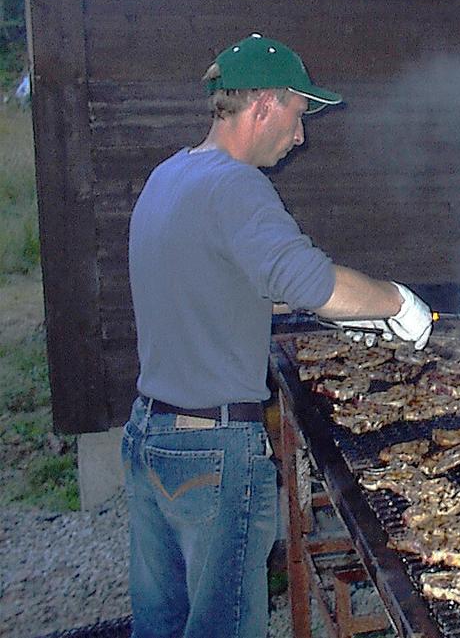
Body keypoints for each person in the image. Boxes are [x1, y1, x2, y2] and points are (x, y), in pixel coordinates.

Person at [122, 33, 433, 638]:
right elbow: (309, 277)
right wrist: (397, 302)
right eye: (298, 115)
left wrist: (354, 315)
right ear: (264, 105)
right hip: (212, 452)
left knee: (160, 627)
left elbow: (224, 281)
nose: (300, 136)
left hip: (150, 436)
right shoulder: (236, 185)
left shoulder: (170, 176)